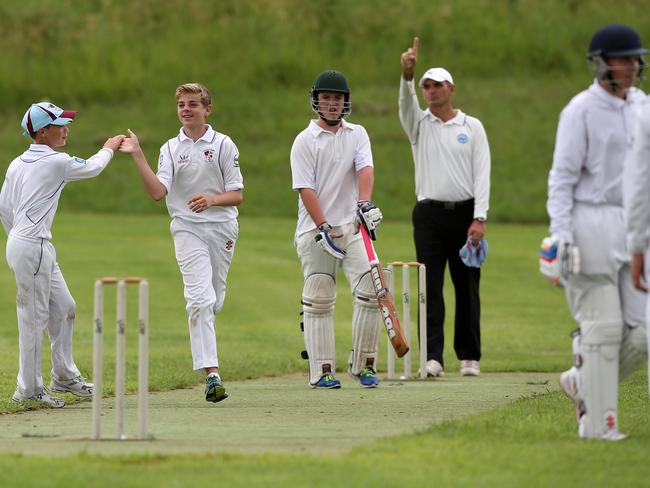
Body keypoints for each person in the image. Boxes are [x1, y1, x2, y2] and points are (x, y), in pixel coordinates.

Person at [545, 24, 648, 440]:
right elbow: (562, 179)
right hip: (591, 224)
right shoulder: (579, 111)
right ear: (603, 64)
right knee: (603, 330)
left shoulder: (642, 105)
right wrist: (561, 237)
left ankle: (579, 380)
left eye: (637, 58)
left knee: (642, 336)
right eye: (625, 59)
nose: (635, 66)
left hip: (634, 226)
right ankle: (600, 428)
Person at [119, 83, 243, 403]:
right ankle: (212, 375)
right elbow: (158, 192)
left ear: (207, 109)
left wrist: (213, 200)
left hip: (222, 228)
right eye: (181, 105)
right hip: (187, 228)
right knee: (199, 300)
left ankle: (208, 351)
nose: (186, 110)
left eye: (193, 104)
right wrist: (137, 154)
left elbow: (237, 195)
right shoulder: (170, 149)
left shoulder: (223, 144)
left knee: (213, 301)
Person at [0, 102, 124, 408]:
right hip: (33, 246)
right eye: (60, 124)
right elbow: (94, 168)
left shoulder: (17, 162)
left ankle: (64, 376)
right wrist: (108, 147)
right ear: (43, 132)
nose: (66, 129)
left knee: (65, 307)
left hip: (29, 244)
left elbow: (4, 207)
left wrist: (18, 238)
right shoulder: (57, 161)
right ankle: (28, 388)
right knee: (33, 319)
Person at [398, 37, 491, 378]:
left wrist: (480, 217)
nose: (432, 91)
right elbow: (405, 107)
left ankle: (469, 355)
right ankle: (433, 357)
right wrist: (407, 76)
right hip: (428, 215)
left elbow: (482, 174)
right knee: (429, 287)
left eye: (438, 85)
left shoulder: (471, 127)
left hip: (466, 214)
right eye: (427, 87)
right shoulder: (418, 125)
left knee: (466, 286)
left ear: (451, 89)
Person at [291, 70, 384, 389]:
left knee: (373, 290)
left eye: (338, 98)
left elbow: (365, 169)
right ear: (316, 101)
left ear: (346, 102)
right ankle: (321, 371)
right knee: (319, 295)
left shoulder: (357, 134)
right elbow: (305, 189)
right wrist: (323, 226)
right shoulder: (304, 141)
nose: (332, 104)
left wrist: (365, 203)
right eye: (326, 98)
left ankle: (363, 365)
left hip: (351, 227)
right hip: (315, 232)